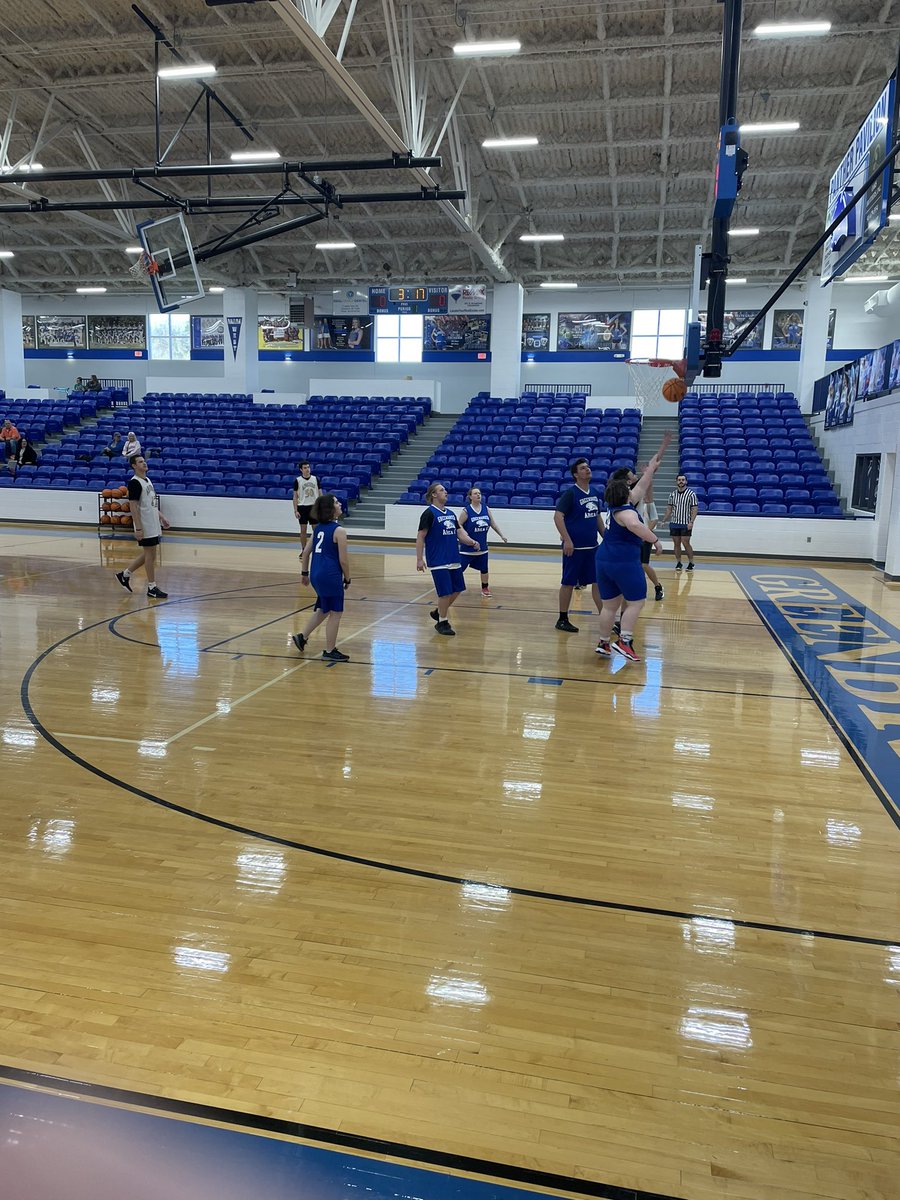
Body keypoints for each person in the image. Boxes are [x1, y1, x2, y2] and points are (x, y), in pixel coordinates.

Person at [593, 470, 665, 663]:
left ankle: (604, 642)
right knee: (636, 602)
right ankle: (625, 641)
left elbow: (640, 488)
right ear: (624, 494)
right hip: (623, 560)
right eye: (628, 489)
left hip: (603, 559)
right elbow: (635, 525)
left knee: (609, 606)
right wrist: (655, 540)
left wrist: (650, 469)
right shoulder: (626, 512)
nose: (631, 490)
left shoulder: (614, 507)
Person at [416, 482, 481, 636]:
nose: (445, 492)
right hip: (438, 560)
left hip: (453, 558)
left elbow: (460, 533)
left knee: (457, 589)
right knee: (444, 593)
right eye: (441, 490)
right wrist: (419, 559)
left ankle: (439, 611)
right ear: (433, 495)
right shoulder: (429, 513)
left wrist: (472, 542)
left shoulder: (451, 514)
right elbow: (420, 537)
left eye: (445, 489)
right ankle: (442, 622)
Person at [292, 494, 351, 662]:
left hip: (316, 574)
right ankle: (330, 650)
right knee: (336, 613)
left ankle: (302, 637)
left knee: (324, 609)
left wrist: (304, 574)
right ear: (330, 509)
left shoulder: (317, 529)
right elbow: (343, 560)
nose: (340, 504)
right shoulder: (339, 531)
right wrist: (347, 578)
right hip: (330, 575)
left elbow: (305, 553)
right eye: (336, 502)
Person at [553, 457, 604, 633]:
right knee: (568, 583)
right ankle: (562, 618)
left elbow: (597, 516)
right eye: (583, 468)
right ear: (576, 474)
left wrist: (605, 536)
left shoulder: (595, 492)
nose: (587, 469)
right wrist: (567, 539)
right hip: (574, 549)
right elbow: (558, 516)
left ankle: (606, 618)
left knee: (598, 582)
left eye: (588, 467)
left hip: (592, 548)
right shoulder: (571, 494)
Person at [114, 455, 170, 599]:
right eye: (140, 462)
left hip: (152, 522)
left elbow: (150, 504)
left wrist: (161, 517)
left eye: (144, 461)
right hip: (144, 524)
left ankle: (124, 575)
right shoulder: (134, 483)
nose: (144, 463)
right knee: (150, 555)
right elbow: (133, 506)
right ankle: (151, 587)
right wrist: (138, 528)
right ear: (134, 466)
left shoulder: (147, 481)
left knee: (150, 554)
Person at [457, 485, 507, 597]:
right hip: (467, 548)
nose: (478, 495)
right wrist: (464, 536)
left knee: (484, 569)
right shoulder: (466, 510)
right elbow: (458, 525)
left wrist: (501, 535)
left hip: (482, 547)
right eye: (475, 493)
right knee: (459, 568)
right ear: (470, 497)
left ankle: (485, 588)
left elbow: (493, 524)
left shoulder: (486, 508)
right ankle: (453, 585)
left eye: (479, 493)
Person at [663, 474, 699, 570]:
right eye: (679, 480)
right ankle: (679, 562)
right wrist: (663, 521)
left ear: (686, 481)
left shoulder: (691, 494)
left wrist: (691, 522)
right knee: (676, 543)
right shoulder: (672, 494)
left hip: (686, 522)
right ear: (676, 482)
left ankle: (691, 562)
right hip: (674, 522)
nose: (681, 481)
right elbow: (669, 509)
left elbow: (694, 509)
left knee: (685, 542)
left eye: (683, 480)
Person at [292, 461, 321, 556]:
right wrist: (296, 510)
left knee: (316, 530)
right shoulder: (298, 480)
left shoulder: (315, 479)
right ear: (301, 469)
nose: (307, 469)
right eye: (305, 468)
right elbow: (295, 496)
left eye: (308, 467)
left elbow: (320, 493)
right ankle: (304, 550)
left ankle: (317, 549)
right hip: (302, 507)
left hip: (313, 507)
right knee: (303, 530)